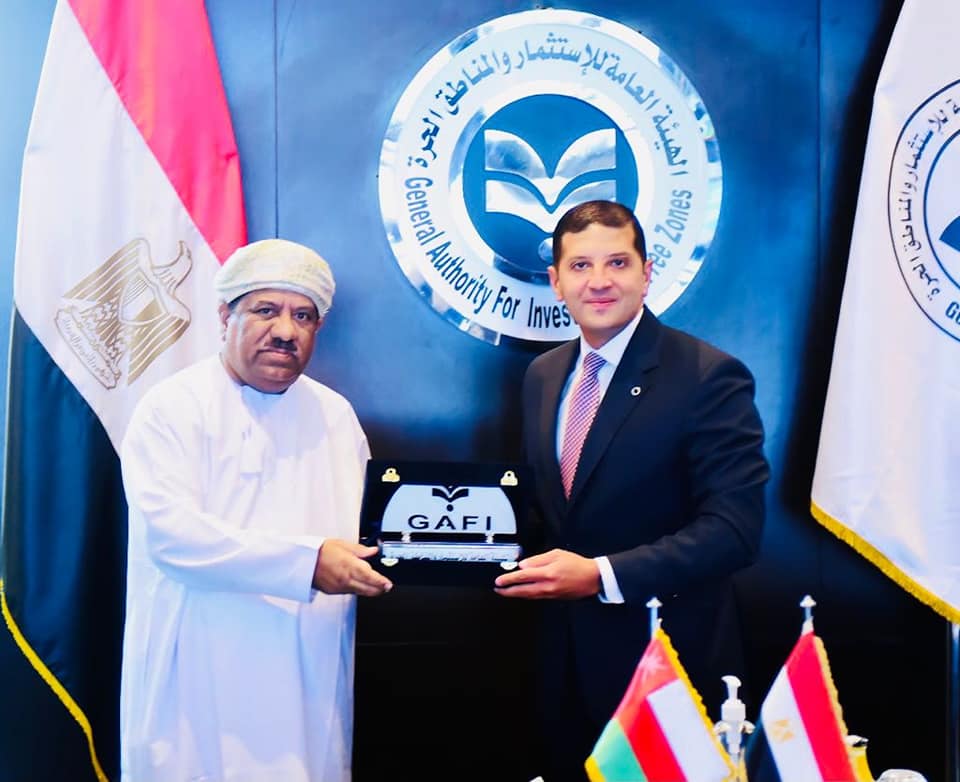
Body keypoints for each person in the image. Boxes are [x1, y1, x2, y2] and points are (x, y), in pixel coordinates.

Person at [495, 201, 769, 781]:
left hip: (665, 672)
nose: (598, 281)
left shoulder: (708, 376)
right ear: (556, 281)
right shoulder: (543, 375)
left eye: (617, 263)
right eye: (581, 265)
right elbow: (546, 514)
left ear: (647, 273)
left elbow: (734, 531)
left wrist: (600, 575)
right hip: (561, 673)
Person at [119, 239, 392, 782]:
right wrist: (309, 563)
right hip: (198, 676)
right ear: (226, 316)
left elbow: (370, 534)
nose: (286, 330)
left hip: (306, 674)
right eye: (266, 310)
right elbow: (172, 539)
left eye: (303, 316)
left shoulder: (336, 417)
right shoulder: (171, 408)